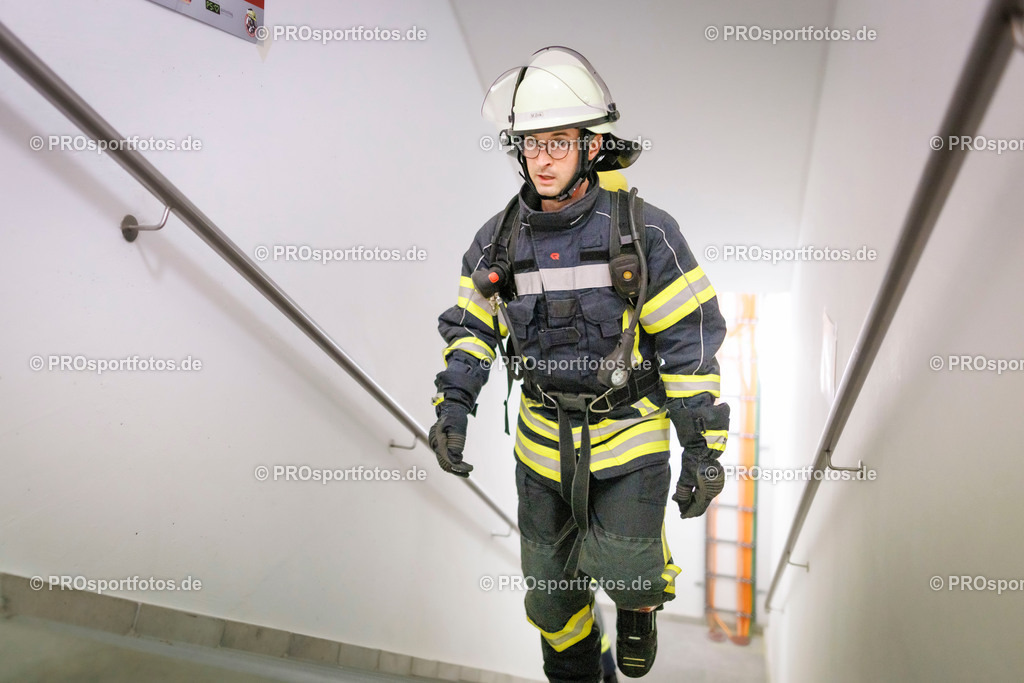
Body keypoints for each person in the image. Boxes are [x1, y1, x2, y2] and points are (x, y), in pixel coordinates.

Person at [429, 46, 730, 682]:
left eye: (557, 143)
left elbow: (690, 342)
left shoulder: (646, 234)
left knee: (631, 569)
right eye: (529, 144)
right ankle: (578, 664)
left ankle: (637, 608)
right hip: (542, 447)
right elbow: (470, 329)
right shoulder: (495, 242)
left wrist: (704, 449)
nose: (541, 160)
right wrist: (453, 407)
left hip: (630, 439)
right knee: (550, 598)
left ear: (592, 146)